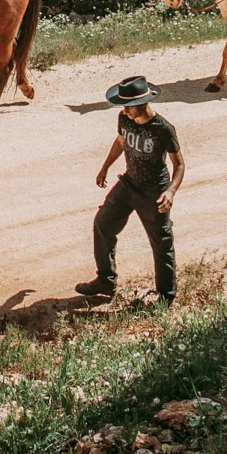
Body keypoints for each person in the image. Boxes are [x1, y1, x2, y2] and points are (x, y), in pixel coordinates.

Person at [78, 74, 185, 304]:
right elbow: (120, 141)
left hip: (154, 192)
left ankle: (166, 296)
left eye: (129, 106)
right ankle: (106, 280)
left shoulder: (163, 129)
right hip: (129, 184)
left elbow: (179, 164)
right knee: (103, 222)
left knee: (161, 242)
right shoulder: (124, 118)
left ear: (143, 104)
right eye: (123, 105)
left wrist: (170, 191)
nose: (125, 110)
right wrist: (105, 166)